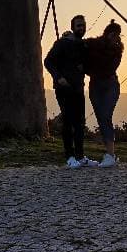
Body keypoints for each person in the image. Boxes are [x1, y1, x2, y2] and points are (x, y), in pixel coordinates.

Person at [44, 15, 98, 169]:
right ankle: (69, 157)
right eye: (78, 26)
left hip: (78, 88)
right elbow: (48, 61)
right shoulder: (62, 43)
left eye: (83, 25)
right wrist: (58, 77)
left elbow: (87, 65)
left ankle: (80, 157)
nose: (81, 28)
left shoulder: (83, 45)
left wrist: (84, 68)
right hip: (64, 88)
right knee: (68, 122)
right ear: (73, 27)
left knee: (80, 122)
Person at [85, 19, 124, 168]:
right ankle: (109, 153)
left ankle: (110, 154)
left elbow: (108, 67)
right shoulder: (93, 44)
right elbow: (88, 61)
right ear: (108, 33)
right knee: (101, 118)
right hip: (95, 84)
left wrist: (92, 63)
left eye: (118, 35)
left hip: (110, 84)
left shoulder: (117, 50)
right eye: (114, 34)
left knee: (106, 117)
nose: (116, 37)